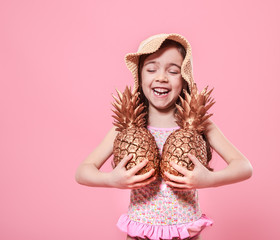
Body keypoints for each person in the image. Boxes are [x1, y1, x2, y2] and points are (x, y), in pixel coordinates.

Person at [75, 33, 253, 240]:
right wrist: (112, 180)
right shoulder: (126, 128)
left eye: (173, 71)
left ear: (184, 79)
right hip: (140, 231)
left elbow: (244, 166)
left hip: (185, 231)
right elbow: (82, 171)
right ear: (140, 77)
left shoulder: (199, 125)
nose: (161, 77)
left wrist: (210, 179)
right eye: (151, 69)